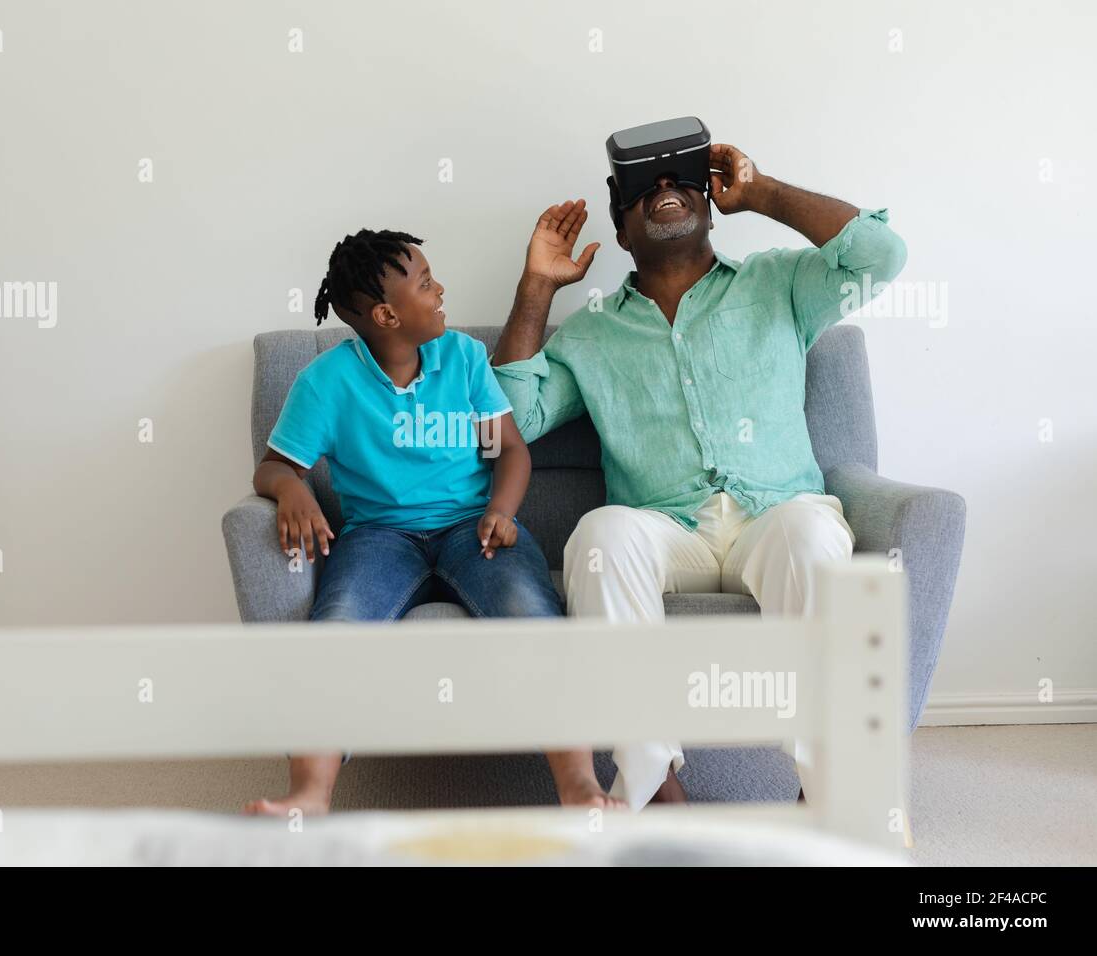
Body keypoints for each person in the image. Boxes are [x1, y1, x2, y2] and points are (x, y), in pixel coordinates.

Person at [491, 143, 907, 810]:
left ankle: (833, 795)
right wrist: (537, 287)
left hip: (777, 515)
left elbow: (880, 255)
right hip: (664, 529)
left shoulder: (780, 285)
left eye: (679, 179)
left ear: (710, 205)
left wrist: (764, 191)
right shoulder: (591, 334)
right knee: (599, 535)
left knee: (810, 535)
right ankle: (653, 785)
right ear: (622, 228)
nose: (664, 188)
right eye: (642, 188)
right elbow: (505, 424)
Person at [244, 228, 575, 816]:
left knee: (533, 613)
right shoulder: (325, 382)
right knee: (336, 632)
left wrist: (502, 512)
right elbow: (272, 469)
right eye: (426, 283)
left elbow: (513, 452)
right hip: (378, 538)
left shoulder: (465, 358)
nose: (440, 288)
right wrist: (290, 486)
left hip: (475, 527)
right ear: (386, 315)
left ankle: (581, 789)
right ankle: (309, 796)